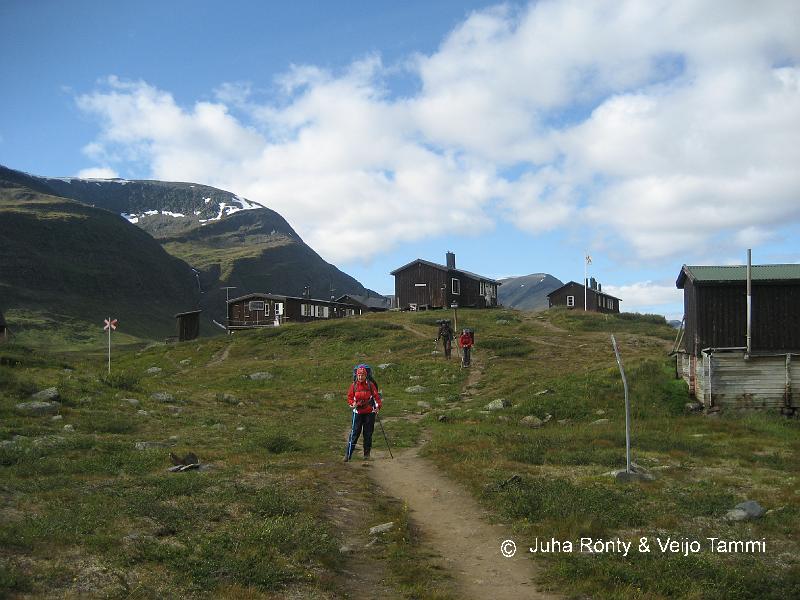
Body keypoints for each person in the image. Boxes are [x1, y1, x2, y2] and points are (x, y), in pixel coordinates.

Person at [344, 365, 382, 461]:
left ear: (366, 375)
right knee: (354, 433)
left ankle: (366, 455)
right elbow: (350, 397)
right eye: (359, 375)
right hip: (357, 412)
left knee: (368, 434)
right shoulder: (354, 385)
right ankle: (348, 455)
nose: (360, 377)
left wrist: (377, 407)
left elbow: (376, 397)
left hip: (369, 412)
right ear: (356, 376)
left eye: (362, 375)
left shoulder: (371, 385)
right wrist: (352, 403)